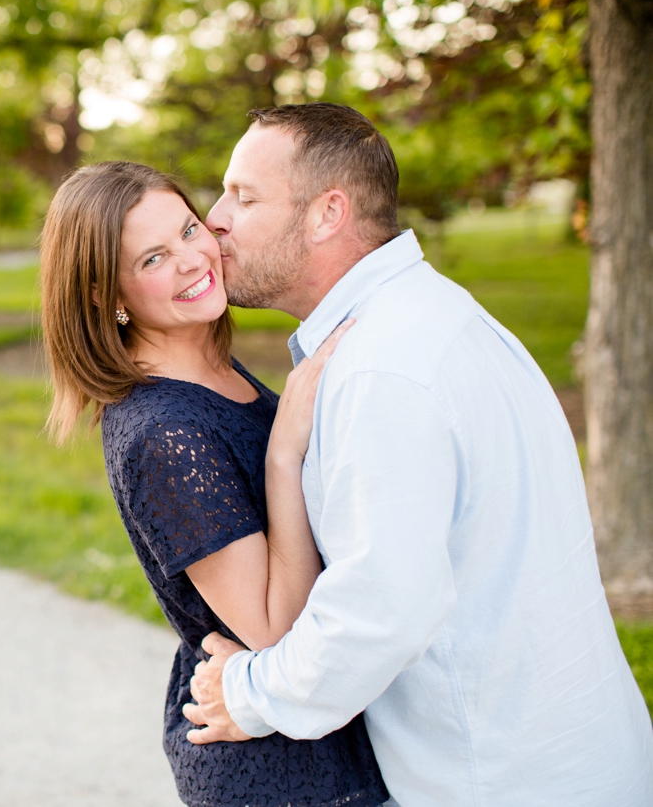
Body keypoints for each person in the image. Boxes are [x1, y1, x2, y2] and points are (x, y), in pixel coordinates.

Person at [183, 103, 653, 805]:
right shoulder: (434, 314)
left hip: (504, 780)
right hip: (569, 755)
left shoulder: (385, 367)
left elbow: (382, 604)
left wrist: (248, 690)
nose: (215, 218)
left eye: (244, 196)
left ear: (326, 213)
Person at [39, 160, 389, 807]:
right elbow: (272, 628)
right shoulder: (163, 432)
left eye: (190, 230)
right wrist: (284, 449)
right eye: (152, 259)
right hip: (283, 776)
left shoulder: (213, 372)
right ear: (105, 295)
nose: (192, 259)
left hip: (317, 742)